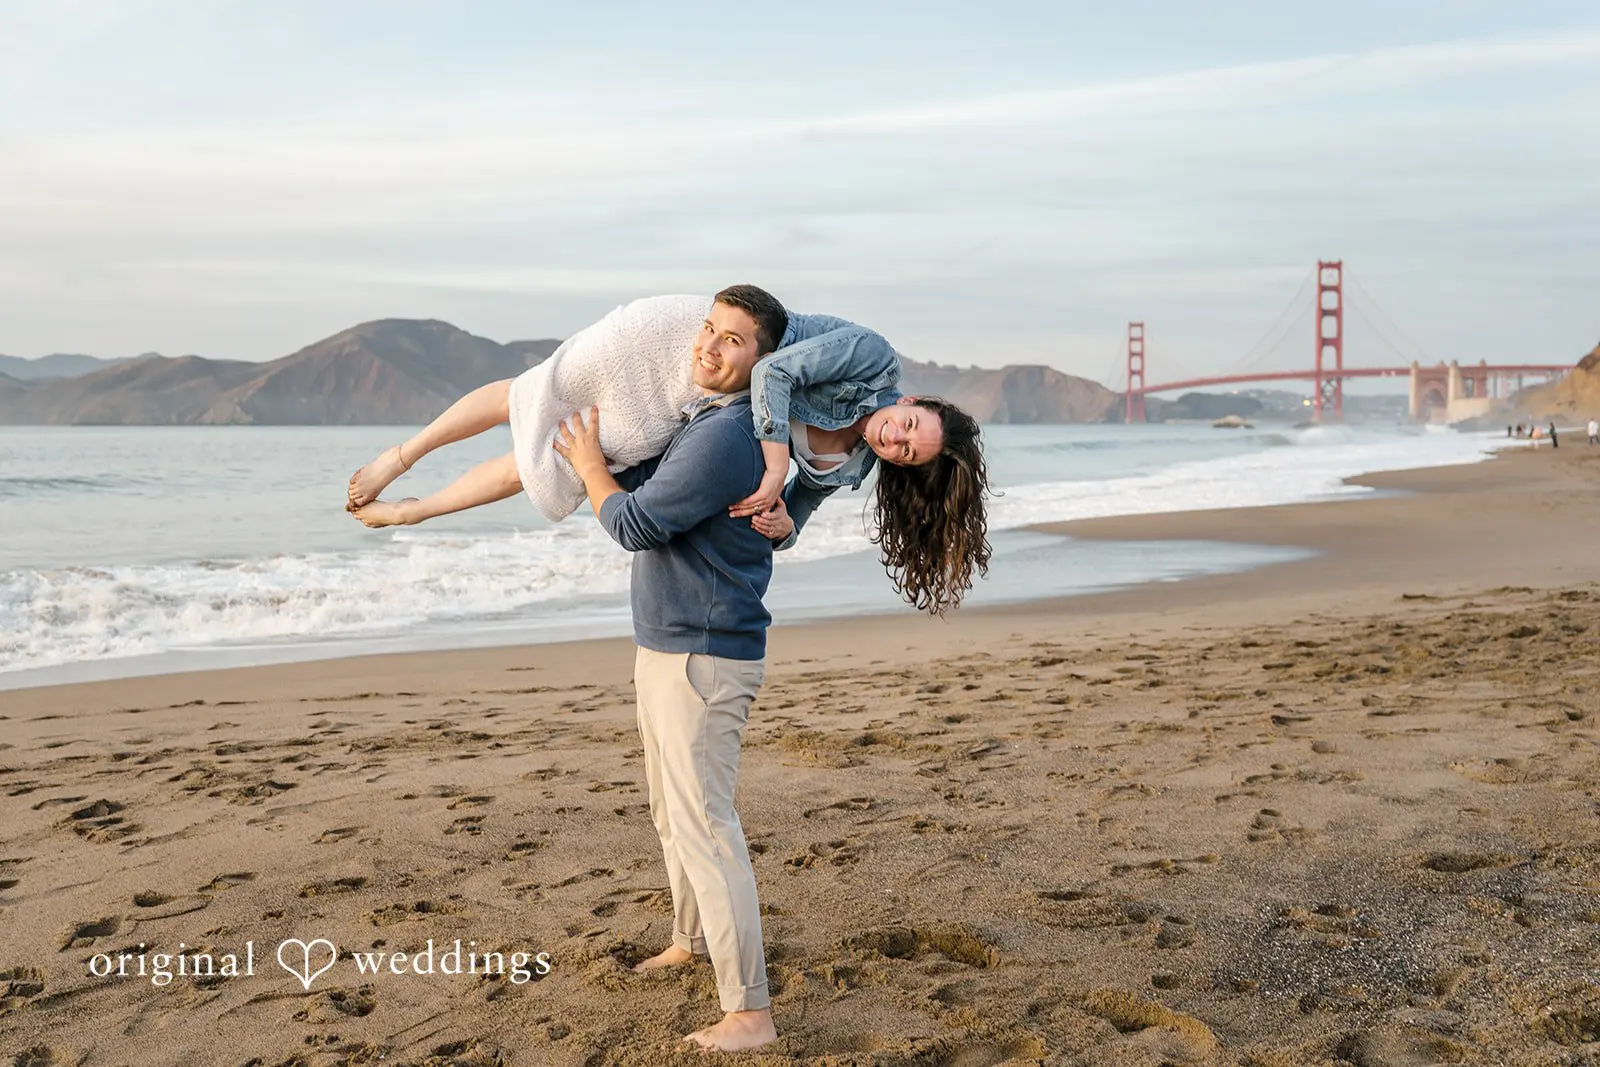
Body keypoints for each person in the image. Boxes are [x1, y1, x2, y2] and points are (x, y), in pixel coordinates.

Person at [347, 285, 992, 614]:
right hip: (711, 344)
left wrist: (785, 522)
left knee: (563, 462)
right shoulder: (871, 355)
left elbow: (790, 515)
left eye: (908, 455)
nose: (895, 441)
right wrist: (772, 461)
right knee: (537, 391)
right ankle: (403, 456)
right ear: (912, 404)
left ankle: (413, 512)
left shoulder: (853, 465)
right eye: (908, 428)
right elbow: (773, 373)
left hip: (705, 401)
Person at [547, 314, 783, 1051]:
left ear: (765, 363)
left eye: (734, 340)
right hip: (667, 645)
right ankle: (691, 937)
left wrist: (589, 466)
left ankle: (750, 1012)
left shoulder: (724, 435)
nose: (709, 346)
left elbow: (634, 525)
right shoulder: (699, 421)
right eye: (707, 328)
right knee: (672, 812)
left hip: (702, 655)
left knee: (707, 827)